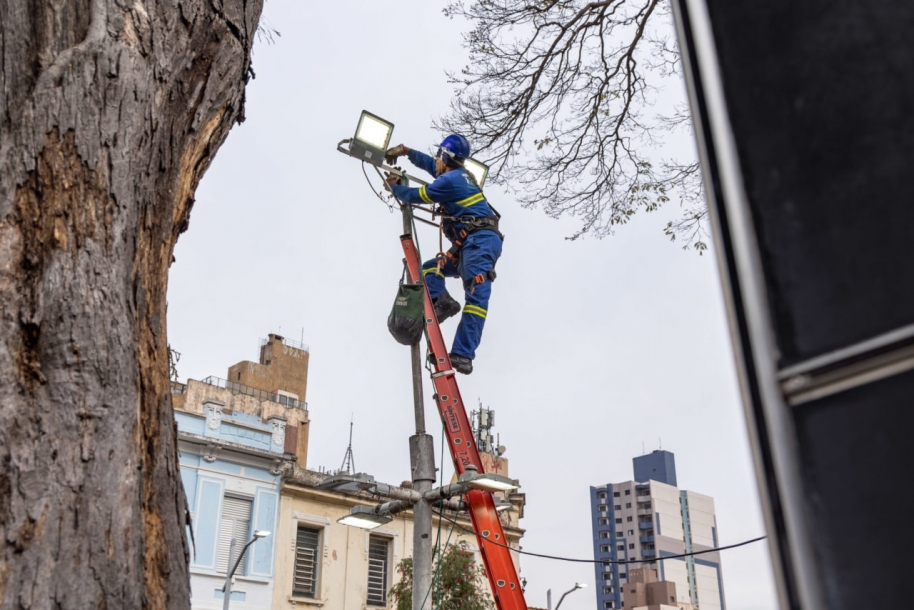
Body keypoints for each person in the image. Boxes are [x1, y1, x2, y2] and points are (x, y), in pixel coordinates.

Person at [384, 135, 503, 375]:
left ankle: (463, 354)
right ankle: (443, 301)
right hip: (468, 244)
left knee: (476, 297)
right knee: (429, 269)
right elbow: (430, 164)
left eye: (438, 156)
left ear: (446, 158)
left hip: (479, 242)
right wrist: (406, 151)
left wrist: (395, 187)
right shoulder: (456, 175)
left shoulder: (450, 180)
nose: (435, 160)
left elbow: (415, 196)